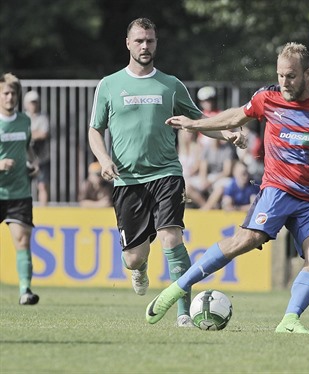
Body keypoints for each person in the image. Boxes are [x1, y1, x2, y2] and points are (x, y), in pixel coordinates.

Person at [145, 42, 309, 333]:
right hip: (276, 190)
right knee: (243, 241)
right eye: (280, 75)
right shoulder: (267, 97)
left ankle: (289, 320)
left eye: (291, 76)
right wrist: (195, 123)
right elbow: (236, 116)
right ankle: (177, 288)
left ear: (308, 73)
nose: (284, 82)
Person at [88, 18, 245, 327]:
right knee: (134, 256)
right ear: (128, 43)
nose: (145, 46)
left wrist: (228, 133)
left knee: (171, 238)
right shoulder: (109, 84)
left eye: (150, 41)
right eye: (139, 41)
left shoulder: (171, 85)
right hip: (127, 180)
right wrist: (104, 160)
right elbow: (95, 130)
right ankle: (139, 268)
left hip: (166, 174)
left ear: (156, 43)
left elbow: (200, 120)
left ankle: (183, 312)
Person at [0, 73, 40, 305]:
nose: (9, 97)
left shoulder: (24, 121)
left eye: (13, 93)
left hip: (19, 193)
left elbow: (28, 149)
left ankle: (25, 289)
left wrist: (33, 165)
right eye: (5, 93)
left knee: (23, 241)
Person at [23, 90, 50, 206]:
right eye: (31, 103)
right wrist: (34, 133)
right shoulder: (23, 118)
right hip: (26, 159)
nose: (33, 105)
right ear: (26, 104)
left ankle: (44, 212)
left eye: (35, 102)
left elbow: (44, 134)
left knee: (42, 185)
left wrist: (29, 134)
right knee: (24, 187)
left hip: (41, 158)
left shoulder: (43, 117)